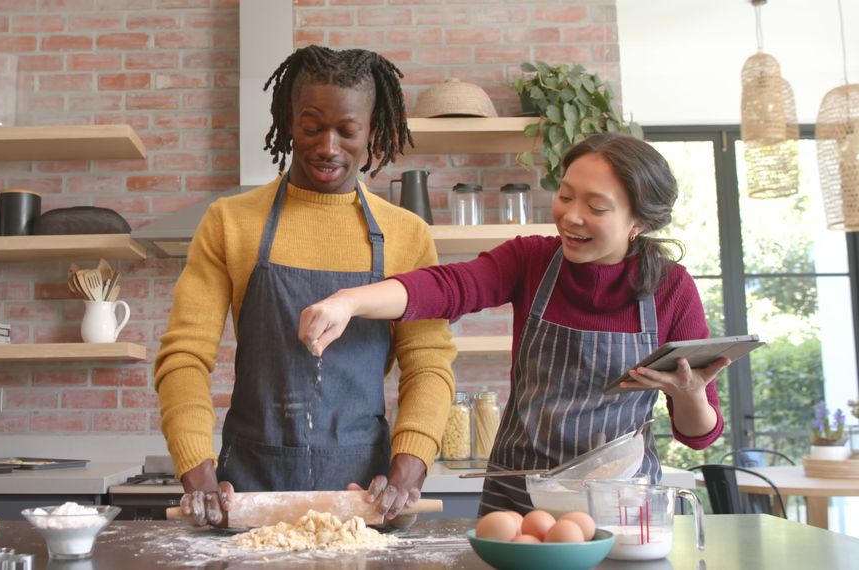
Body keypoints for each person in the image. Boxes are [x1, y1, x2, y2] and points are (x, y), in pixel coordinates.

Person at [299, 132, 727, 514]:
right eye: (566, 195)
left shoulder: (671, 289)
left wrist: (690, 394)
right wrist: (349, 302)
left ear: (639, 222)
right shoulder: (532, 261)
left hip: (617, 507)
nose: (571, 216)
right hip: (519, 500)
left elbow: (698, 435)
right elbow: (449, 286)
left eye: (595, 206)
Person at [155, 45, 456, 527]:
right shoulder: (231, 223)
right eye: (312, 127)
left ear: (373, 129)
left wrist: (407, 472)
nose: (328, 147)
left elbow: (428, 365)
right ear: (289, 121)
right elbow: (185, 356)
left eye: (348, 130)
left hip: (365, 497)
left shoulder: (407, 235)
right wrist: (197, 472)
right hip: (248, 490)